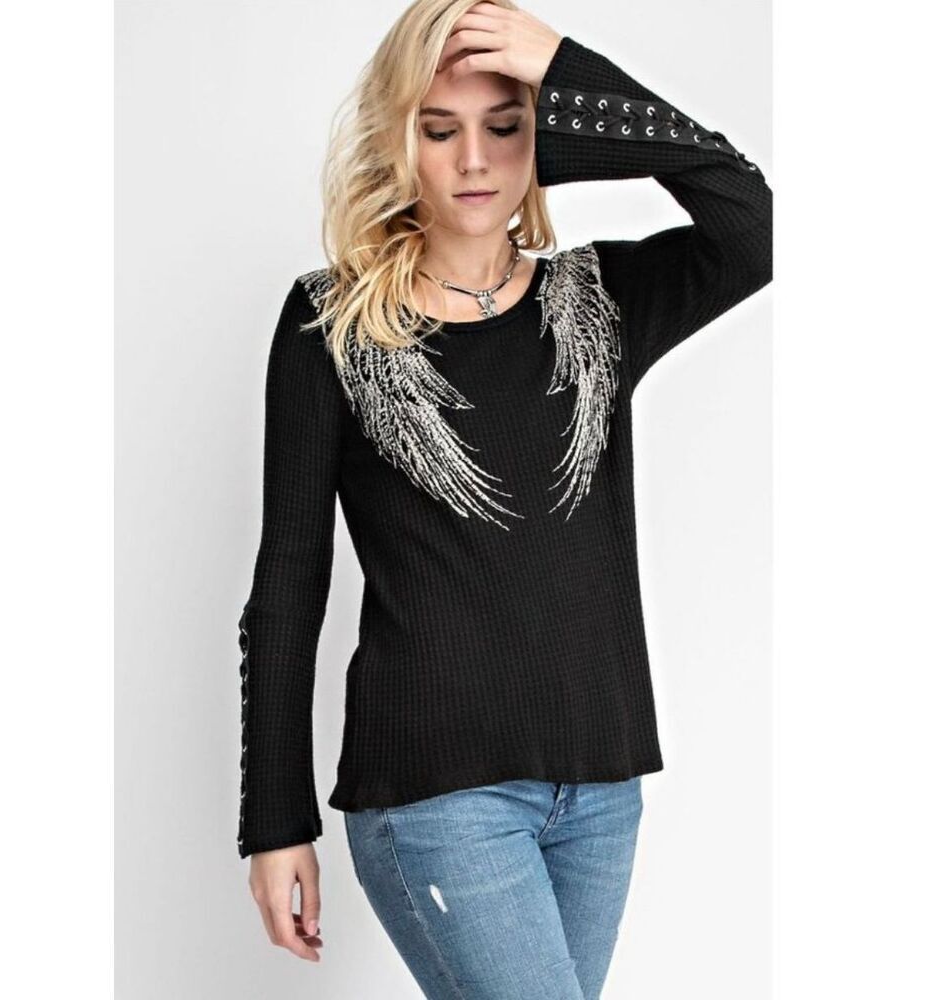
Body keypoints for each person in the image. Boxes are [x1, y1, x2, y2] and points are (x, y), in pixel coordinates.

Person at [236, 1, 772, 996]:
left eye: (506, 124)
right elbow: (289, 582)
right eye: (440, 129)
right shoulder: (333, 324)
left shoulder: (601, 301)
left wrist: (570, 68)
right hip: (438, 793)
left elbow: (757, 225)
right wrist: (275, 821)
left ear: (545, 136)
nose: (475, 159)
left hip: (601, 788)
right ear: (399, 139)